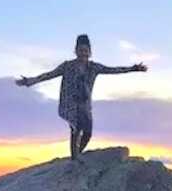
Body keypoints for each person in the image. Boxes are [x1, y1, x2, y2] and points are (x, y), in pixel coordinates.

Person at [16, 34, 148, 160]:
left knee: (88, 133)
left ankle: (77, 154)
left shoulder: (94, 67)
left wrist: (133, 68)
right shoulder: (67, 66)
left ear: (90, 52)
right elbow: (49, 74)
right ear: (76, 51)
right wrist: (30, 81)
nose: (83, 53)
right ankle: (74, 158)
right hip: (71, 104)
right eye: (80, 50)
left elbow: (113, 70)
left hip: (85, 105)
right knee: (75, 129)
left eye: (86, 51)